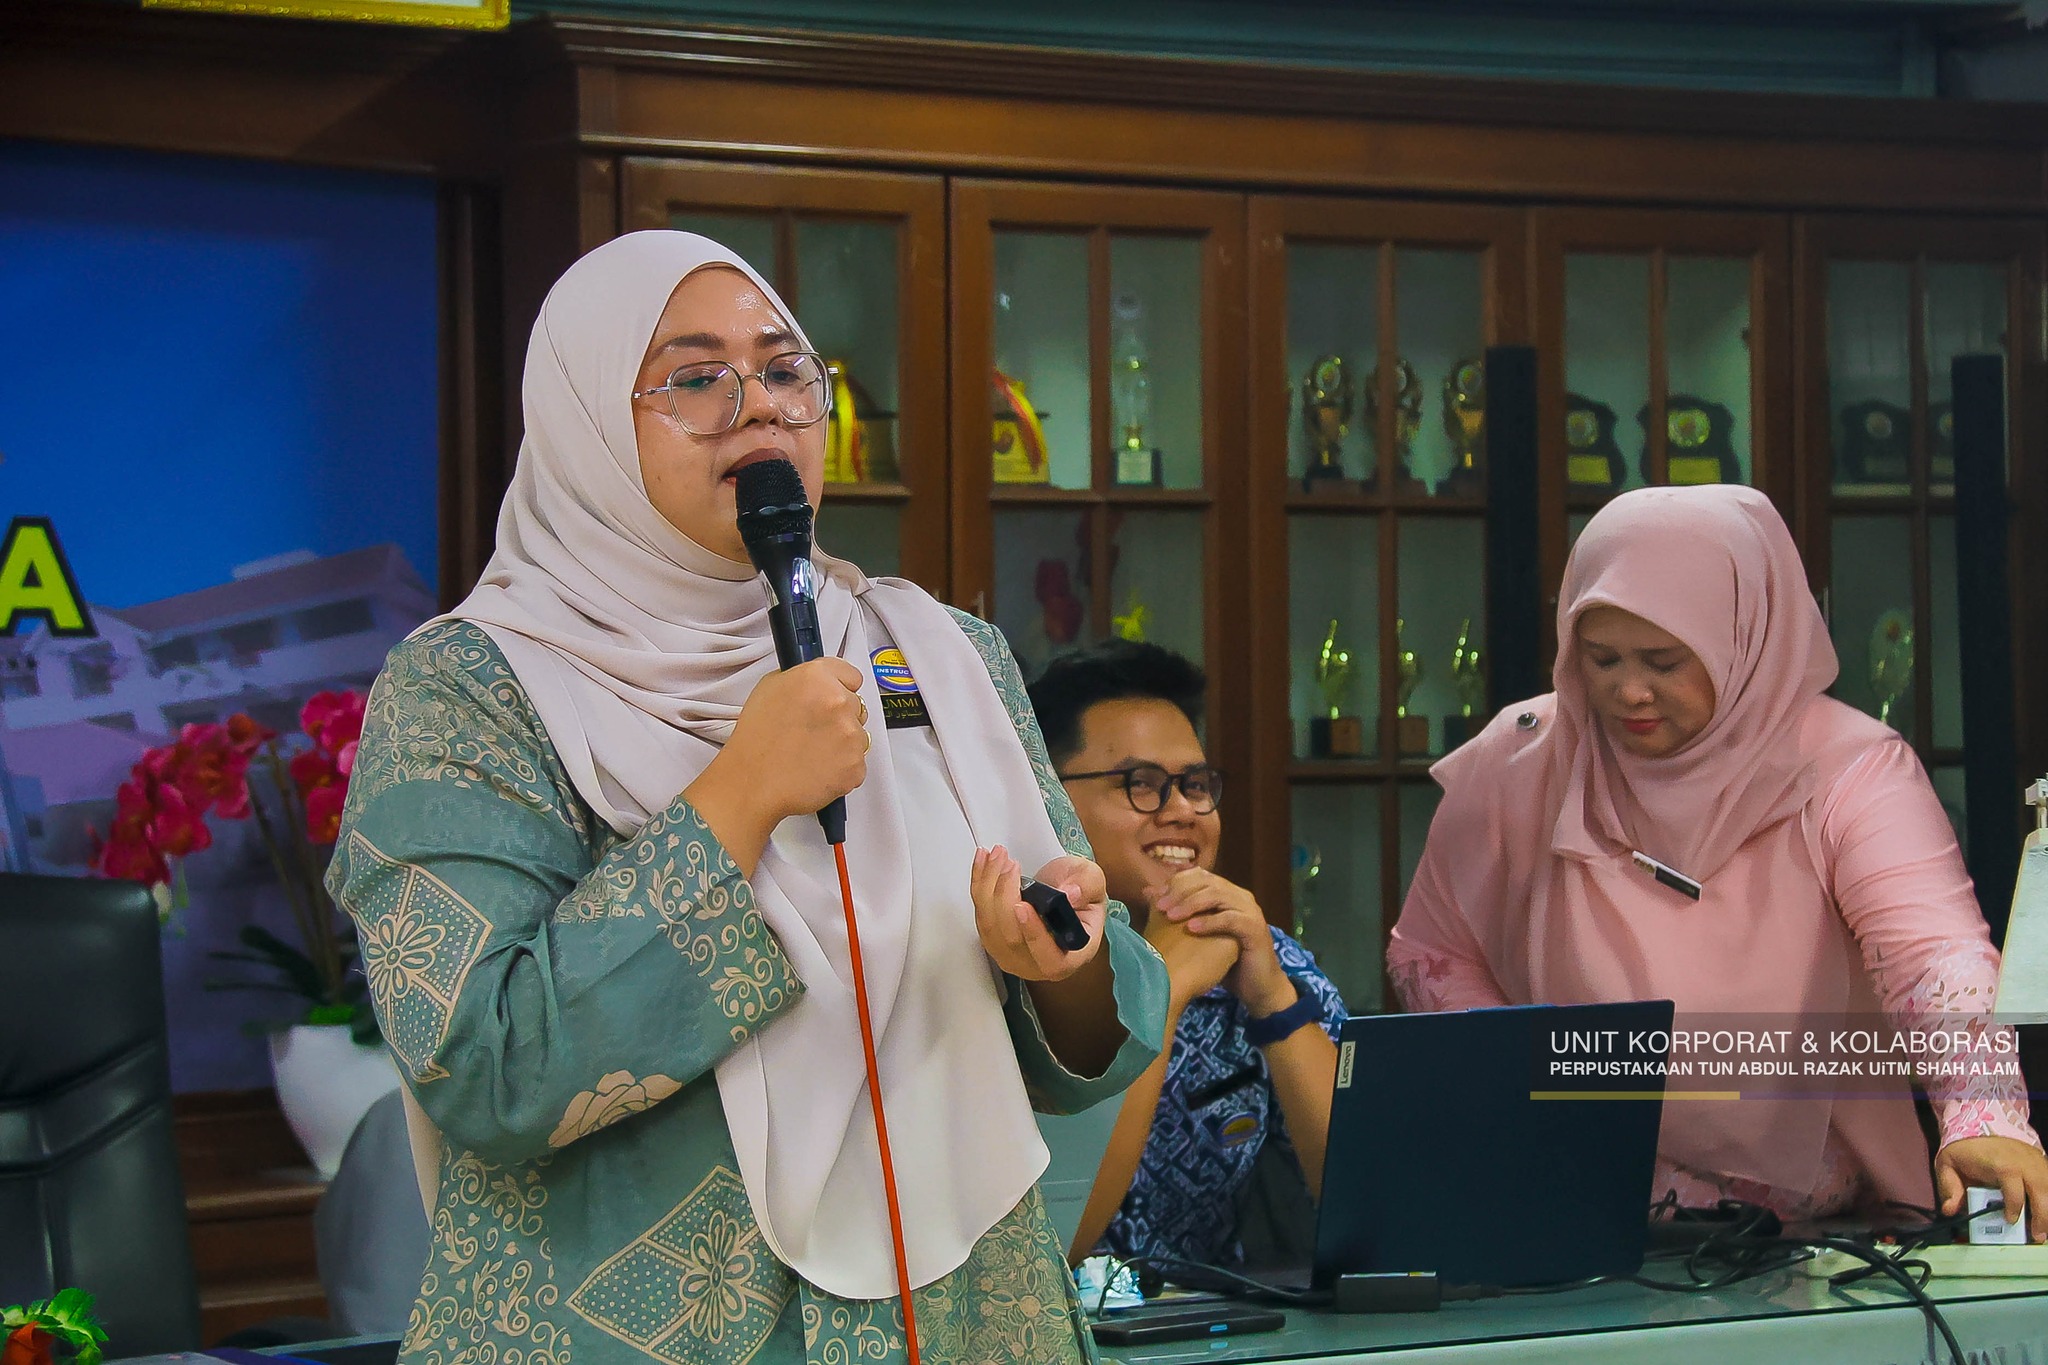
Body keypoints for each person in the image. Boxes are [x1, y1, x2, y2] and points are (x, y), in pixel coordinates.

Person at [326, 230, 1170, 1365]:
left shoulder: (937, 656)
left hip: (966, 1319)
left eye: (782, 370)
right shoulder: (471, 688)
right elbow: (485, 1064)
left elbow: (1097, 1037)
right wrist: (738, 796)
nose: (759, 404)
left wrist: (1058, 961)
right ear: (584, 425)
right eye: (694, 378)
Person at [1389, 484, 2046, 1232]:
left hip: (1807, 1206)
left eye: (1664, 661)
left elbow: (1932, 955)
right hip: (1568, 1184)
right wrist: (1523, 1093)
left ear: (1744, 639)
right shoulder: (1523, 758)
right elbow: (1431, 952)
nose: (1629, 691)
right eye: (1601, 658)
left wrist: (1983, 1113)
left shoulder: (1849, 769)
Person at [1027, 641, 1345, 1270]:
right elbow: (1052, 1247)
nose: (1182, 812)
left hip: (1210, 1322)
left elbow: (1375, 1207)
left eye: (1195, 786)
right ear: (1045, 796)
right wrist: (1163, 987)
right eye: (1141, 785)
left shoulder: (1256, 956)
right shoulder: (1016, 964)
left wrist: (1274, 1001)